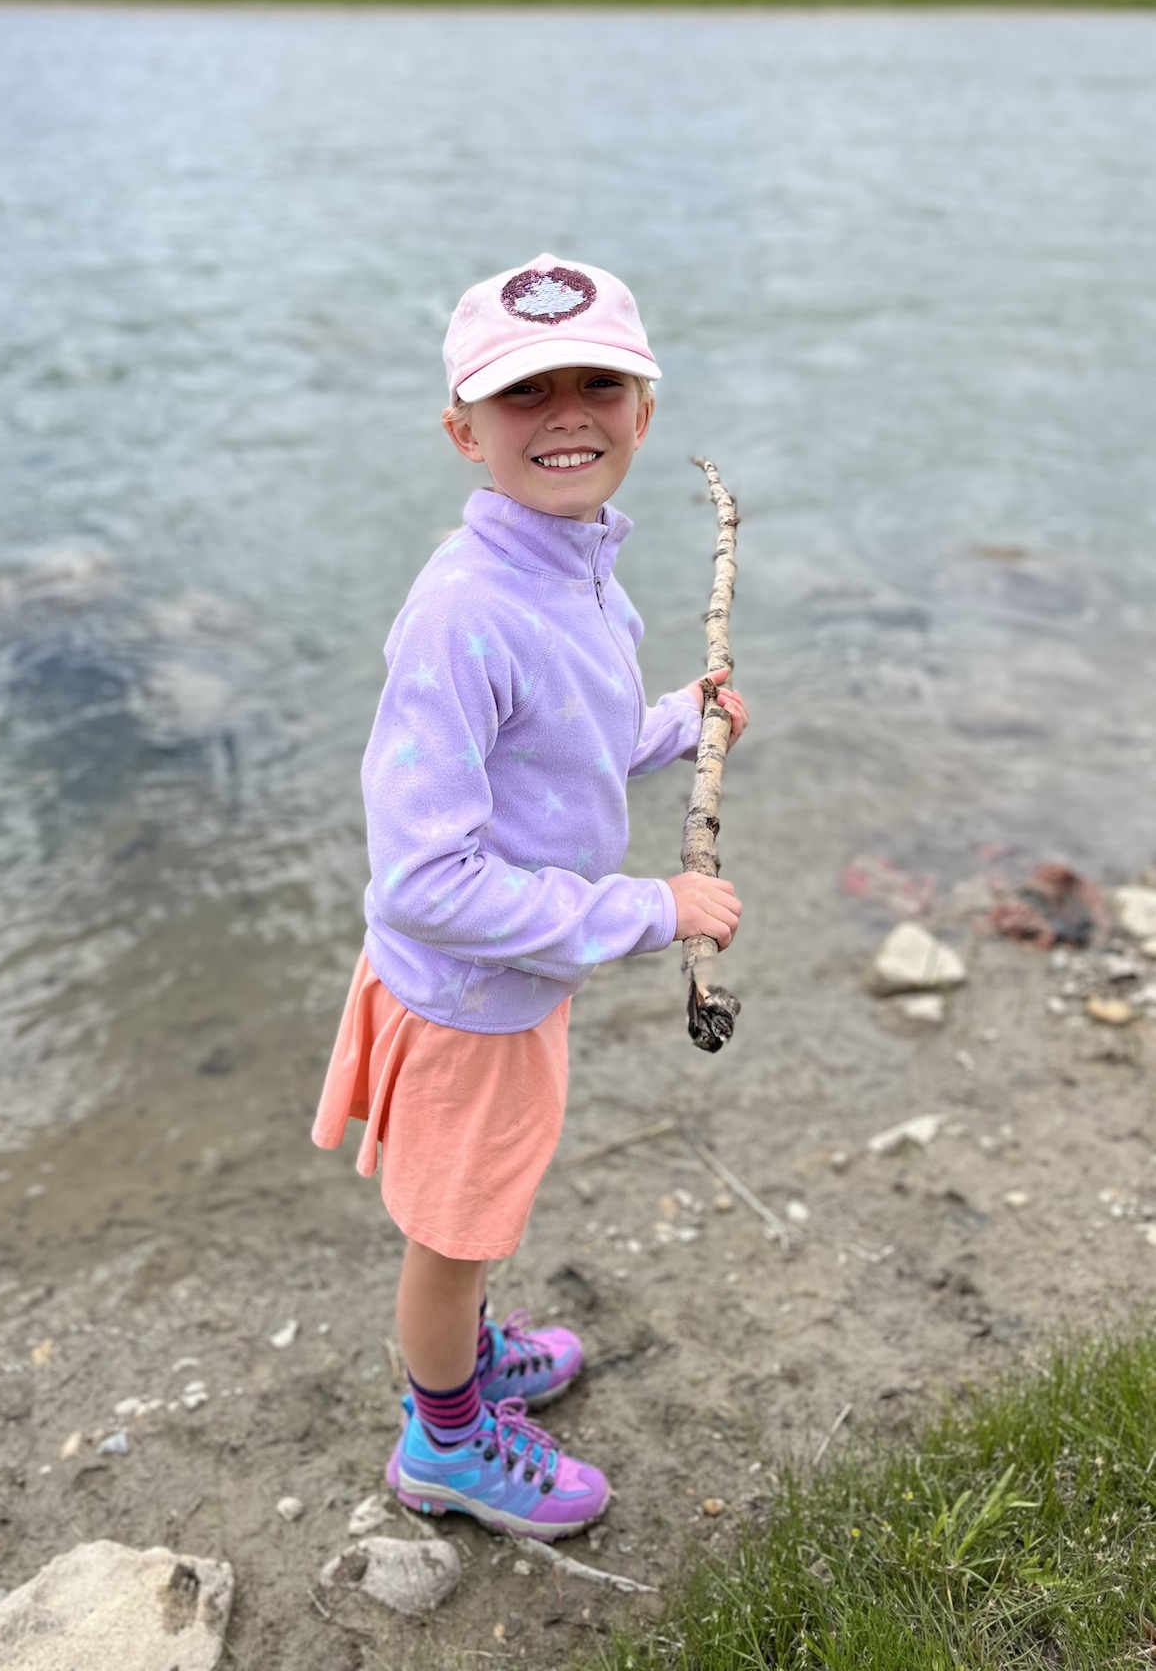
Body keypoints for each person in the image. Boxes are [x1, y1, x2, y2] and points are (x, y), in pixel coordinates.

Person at [312, 254, 747, 1541]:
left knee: (481, 1204)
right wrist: (651, 908)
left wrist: (675, 722)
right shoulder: (462, 612)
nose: (566, 413)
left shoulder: (574, 565)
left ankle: (464, 1356)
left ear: (643, 412)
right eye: (523, 392)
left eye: (597, 384)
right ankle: (443, 1439)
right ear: (464, 432)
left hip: (515, 973)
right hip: (465, 998)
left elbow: (559, 748)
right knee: (453, 1233)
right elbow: (425, 877)